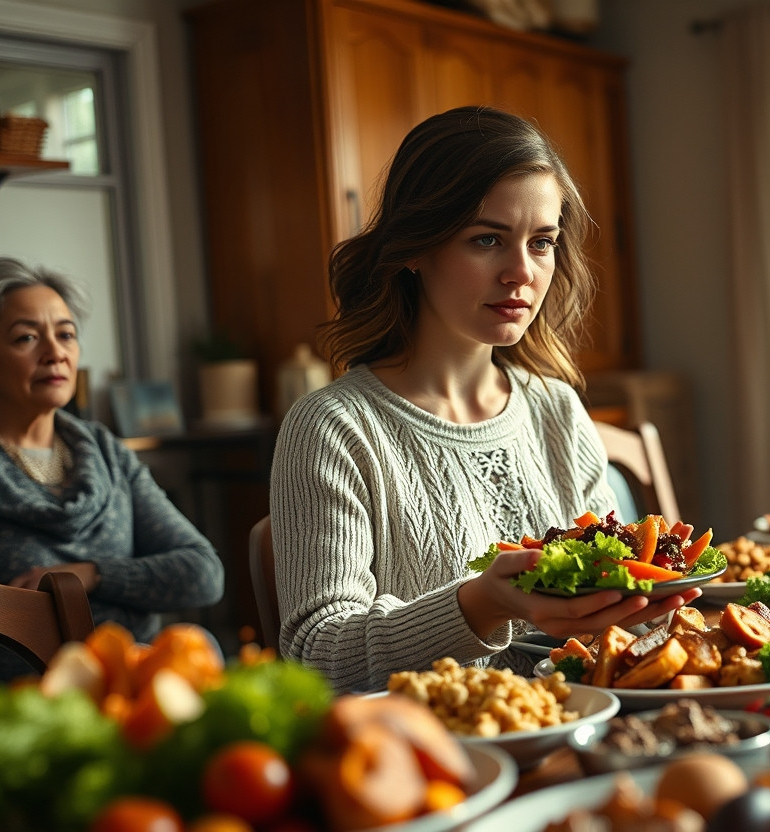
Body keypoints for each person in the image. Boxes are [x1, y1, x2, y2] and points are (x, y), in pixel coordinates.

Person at [270, 106, 698, 693]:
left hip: (581, 728)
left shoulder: (557, 410)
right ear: (414, 248)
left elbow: (611, 621)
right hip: (433, 763)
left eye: (541, 242)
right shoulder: (334, 428)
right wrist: (478, 606)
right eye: (487, 239)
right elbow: (315, 657)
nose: (521, 272)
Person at [0, 257, 223, 647]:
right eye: (26, 338)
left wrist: (92, 575)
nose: (54, 353)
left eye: (65, 335)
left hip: (132, 676)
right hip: (19, 695)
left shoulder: (104, 452)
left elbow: (203, 574)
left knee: (200, 644)